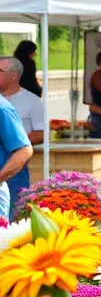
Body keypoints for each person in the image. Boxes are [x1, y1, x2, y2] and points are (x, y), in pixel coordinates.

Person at [0, 57, 45, 215]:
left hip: (12, 173)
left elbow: (28, 147)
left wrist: (10, 140)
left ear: (14, 75)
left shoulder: (5, 107)